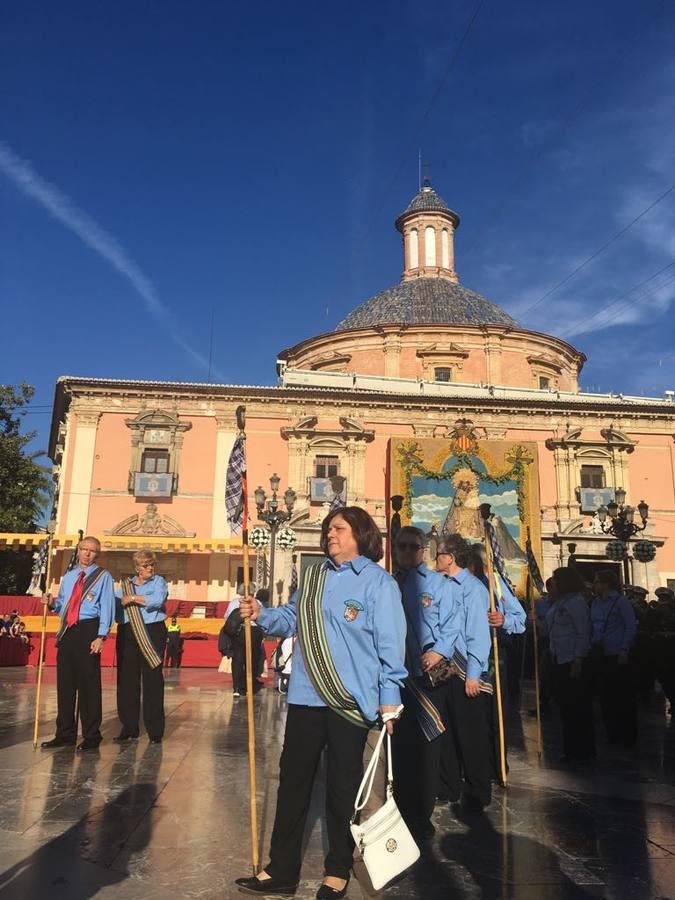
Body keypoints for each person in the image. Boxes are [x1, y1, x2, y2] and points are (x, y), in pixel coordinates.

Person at [234, 506, 407, 900]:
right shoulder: (313, 577)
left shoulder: (379, 584)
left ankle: (337, 870)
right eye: (329, 529)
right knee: (292, 784)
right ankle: (281, 870)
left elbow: (390, 645)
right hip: (306, 697)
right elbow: (290, 619)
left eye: (339, 528)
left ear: (360, 535)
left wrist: (389, 698)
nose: (330, 534)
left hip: (351, 703)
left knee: (343, 790)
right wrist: (262, 613)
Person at [393, 525, 459, 840]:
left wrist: (439, 652)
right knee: (400, 747)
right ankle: (400, 808)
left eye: (413, 547)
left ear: (424, 551)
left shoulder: (438, 584)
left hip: (428, 676)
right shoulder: (386, 584)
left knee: (429, 745)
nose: (407, 552)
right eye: (402, 547)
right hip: (396, 677)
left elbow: (452, 624)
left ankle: (422, 813)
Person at [435, 534, 492, 812]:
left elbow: (478, 633)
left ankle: (477, 790)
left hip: (463, 669)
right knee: (445, 732)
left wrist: (473, 673)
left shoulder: (473, 588)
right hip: (442, 669)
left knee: (471, 735)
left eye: (439, 555)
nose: (436, 559)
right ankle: (448, 786)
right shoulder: (441, 585)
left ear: (451, 558)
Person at [41, 536, 115, 751]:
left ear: (97, 555)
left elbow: (107, 607)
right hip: (68, 631)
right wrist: (52, 603)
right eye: (84, 549)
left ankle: (92, 734)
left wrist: (101, 636)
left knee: (88, 685)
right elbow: (63, 605)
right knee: (65, 684)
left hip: (89, 630)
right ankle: (65, 733)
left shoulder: (103, 577)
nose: (87, 554)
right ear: (79, 550)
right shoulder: (69, 576)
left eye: (92, 551)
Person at [114, 550, 169, 744]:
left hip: (152, 631)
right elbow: (117, 605)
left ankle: (155, 730)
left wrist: (133, 599)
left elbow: (157, 601)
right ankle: (129, 727)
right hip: (128, 631)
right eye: (146, 565)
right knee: (127, 681)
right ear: (137, 567)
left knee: (153, 680)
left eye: (152, 565)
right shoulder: (125, 585)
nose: (150, 569)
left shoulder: (159, 582)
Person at [545, 566, 593, 764]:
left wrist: (578, 658)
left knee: (577, 707)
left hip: (571, 660)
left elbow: (583, 632)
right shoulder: (558, 603)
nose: (553, 584)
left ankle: (582, 750)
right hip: (558, 657)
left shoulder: (576, 602)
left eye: (555, 580)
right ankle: (570, 748)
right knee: (564, 706)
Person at [589, 570, 637, 746]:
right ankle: (612, 734)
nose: (594, 586)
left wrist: (625, 648)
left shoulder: (620, 602)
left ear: (606, 584)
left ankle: (627, 735)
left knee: (623, 696)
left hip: (617, 653)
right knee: (605, 696)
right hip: (601, 652)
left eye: (596, 582)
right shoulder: (594, 603)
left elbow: (630, 626)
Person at [225, 585, 263, 697]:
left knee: (238, 659)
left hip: (239, 632)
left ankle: (237, 687)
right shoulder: (257, 603)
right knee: (252, 659)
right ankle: (248, 686)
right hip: (253, 632)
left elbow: (227, 617)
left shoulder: (233, 602)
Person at [652, 587, 675, 715]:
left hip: (670, 647)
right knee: (665, 677)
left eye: (665, 598)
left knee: (668, 677)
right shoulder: (655, 612)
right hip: (662, 649)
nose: (663, 601)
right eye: (661, 598)